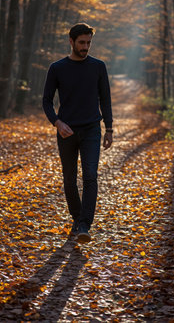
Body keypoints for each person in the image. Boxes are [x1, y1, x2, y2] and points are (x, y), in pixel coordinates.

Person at [42, 23, 113, 243]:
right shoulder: (57, 68)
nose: (85, 47)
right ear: (71, 41)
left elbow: (106, 99)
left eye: (89, 43)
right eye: (81, 43)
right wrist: (56, 122)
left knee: (90, 176)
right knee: (69, 179)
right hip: (67, 131)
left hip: (92, 128)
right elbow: (46, 101)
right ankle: (76, 218)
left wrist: (109, 128)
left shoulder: (98, 67)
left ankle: (84, 224)